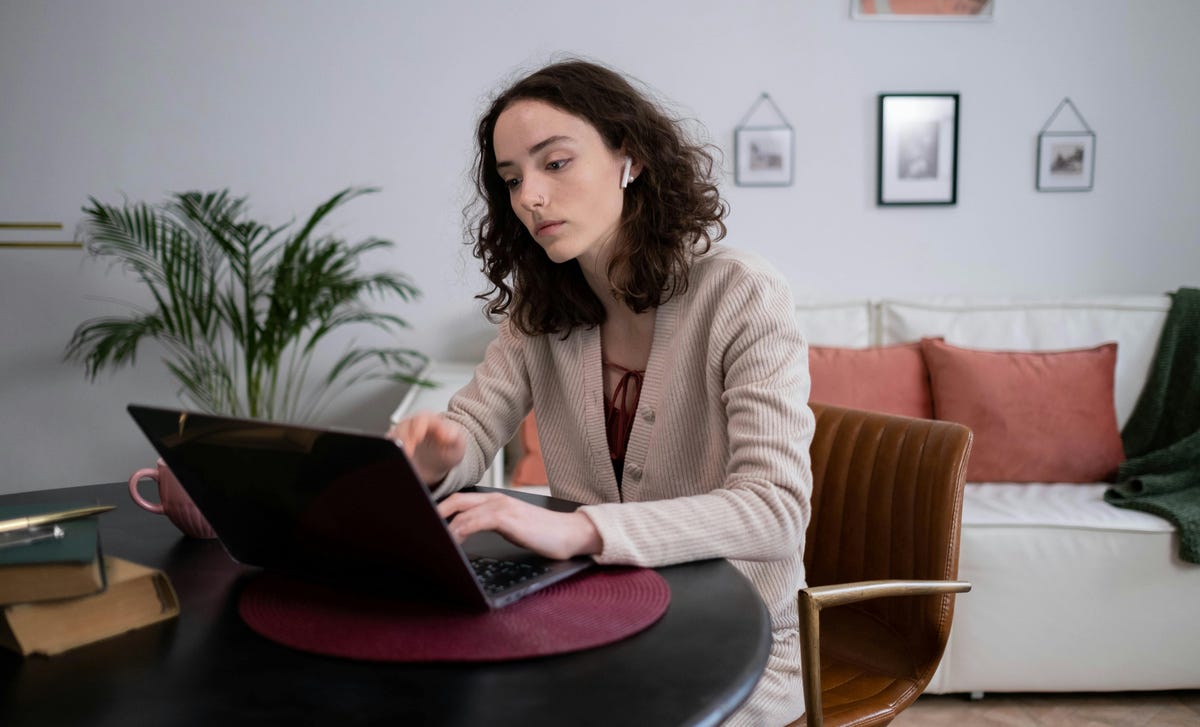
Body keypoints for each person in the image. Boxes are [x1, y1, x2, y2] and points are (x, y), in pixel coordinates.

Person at [388, 58, 813, 725]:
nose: (529, 196)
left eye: (554, 163)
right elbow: (468, 427)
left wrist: (580, 529)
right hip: (595, 621)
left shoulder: (743, 295)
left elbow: (776, 509)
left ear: (630, 158)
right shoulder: (540, 307)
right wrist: (443, 453)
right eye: (511, 179)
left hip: (739, 644)